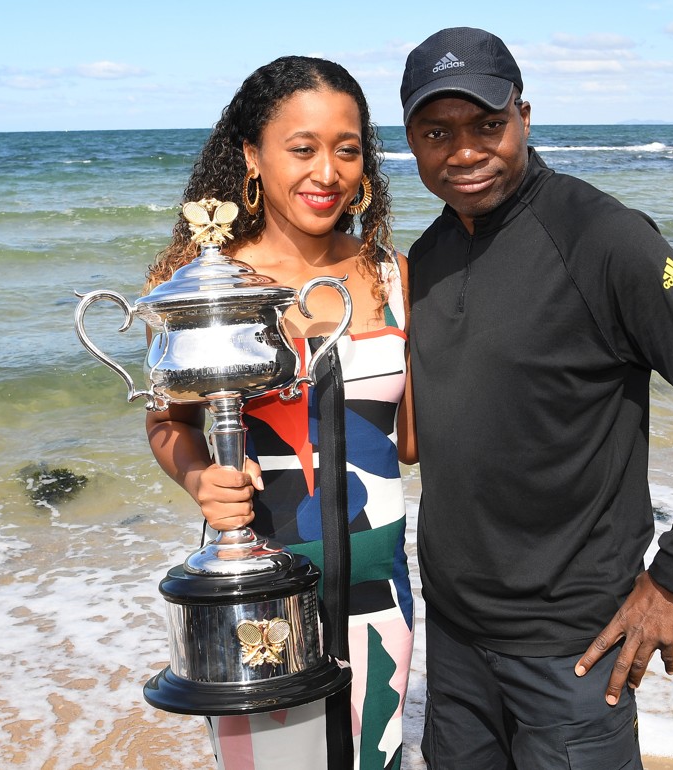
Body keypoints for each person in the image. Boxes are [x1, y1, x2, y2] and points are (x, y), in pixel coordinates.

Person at [399, 28, 673, 769]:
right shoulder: (428, 256)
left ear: (524, 116)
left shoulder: (603, 238)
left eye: (488, 124)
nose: (465, 152)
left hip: (570, 648)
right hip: (452, 635)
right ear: (412, 142)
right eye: (436, 132)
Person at [144, 56, 415, 770]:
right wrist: (201, 479)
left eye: (347, 149)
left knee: (375, 761)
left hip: (379, 588)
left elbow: (414, 440)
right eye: (302, 148)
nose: (327, 172)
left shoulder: (391, 274)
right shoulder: (200, 282)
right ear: (251, 158)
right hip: (254, 601)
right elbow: (169, 424)